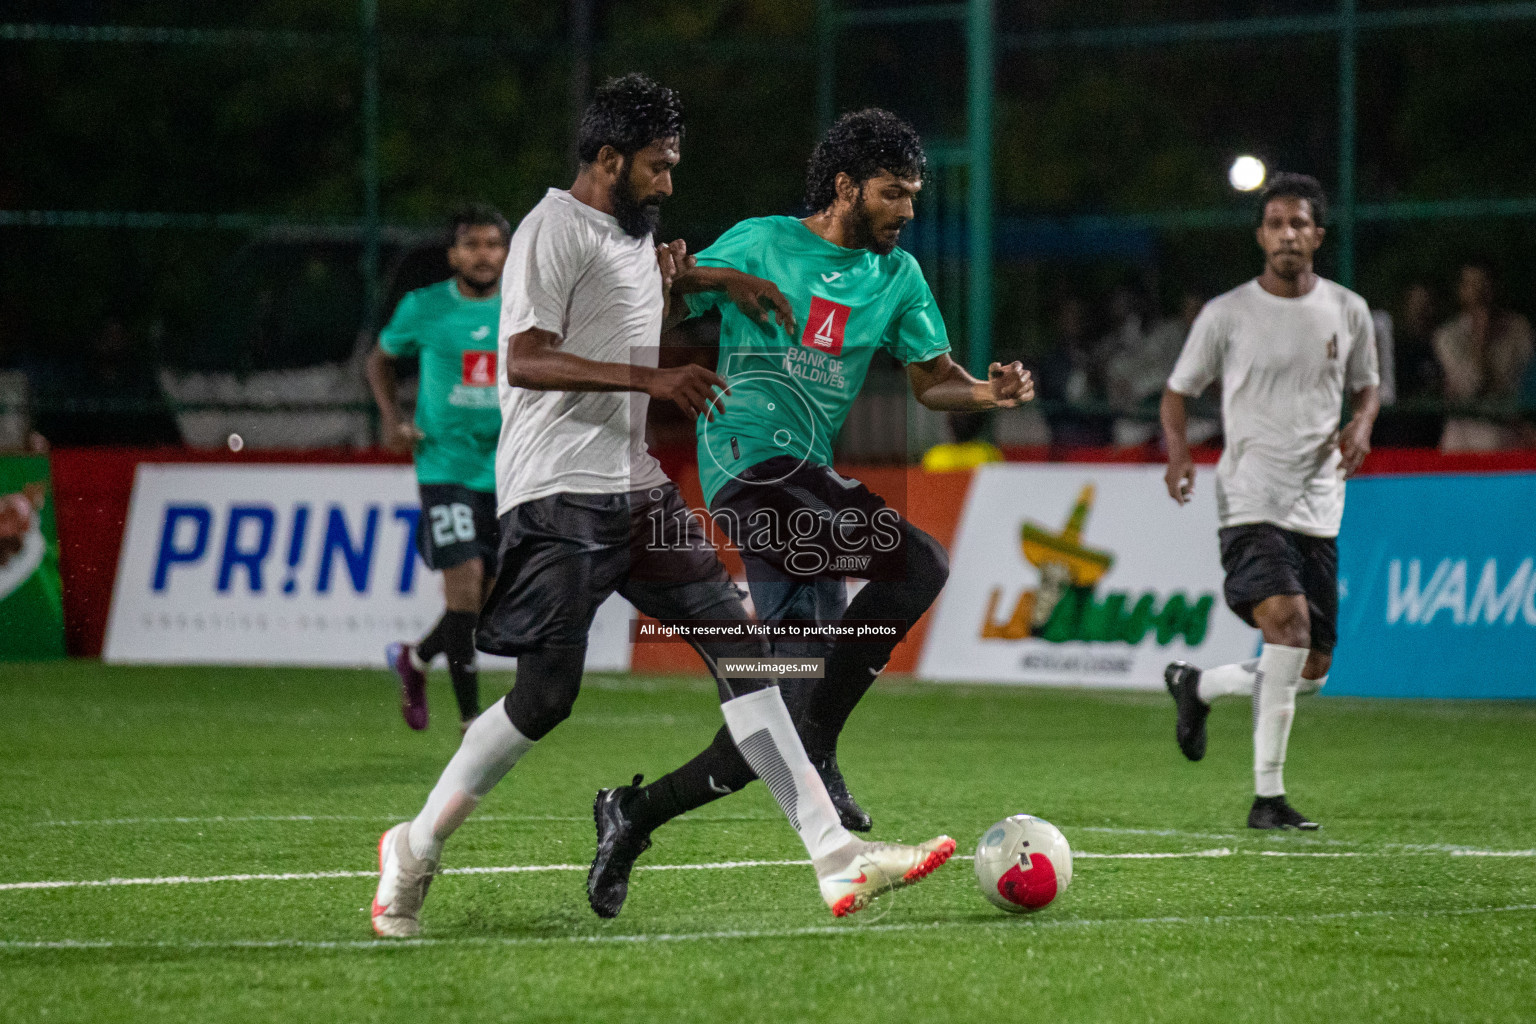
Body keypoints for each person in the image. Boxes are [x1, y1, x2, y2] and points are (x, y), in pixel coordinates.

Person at [370, 76, 954, 938]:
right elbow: (527, 359)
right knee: (545, 699)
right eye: (657, 166)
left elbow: (660, 292)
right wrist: (657, 375)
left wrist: (719, 280)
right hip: (555, 491)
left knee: (746, 658)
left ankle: (834, 857)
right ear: (608, 160)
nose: (670, 183)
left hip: (638, 487)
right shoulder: (550, 231)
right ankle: (413, 849)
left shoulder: (635, 240)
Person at [586, 108, 1031, 918]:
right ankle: (821, 749)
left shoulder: (898, 279)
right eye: (892, 194)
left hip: (807, 480)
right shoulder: (762, 240)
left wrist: (986, 392)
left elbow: (933, 380)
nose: (905, 210)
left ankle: (632, 814)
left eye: (913, 196)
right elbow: (665, 295)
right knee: (921, 561)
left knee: (776, 718)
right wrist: (701, 277)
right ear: (845, 186)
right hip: (749, 468)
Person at [1159, 173, 1380, 831]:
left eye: (1300, 223)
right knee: (1287, 626)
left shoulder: (1350, 310)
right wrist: (1177, 453)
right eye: (1276, 223)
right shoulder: (1226, 314)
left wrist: (1363, 423)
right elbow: (1177, 393)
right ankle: (1268, 799)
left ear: (1317, 233)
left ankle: (1197, 685)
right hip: (1250, 496)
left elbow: (1369, 388)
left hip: (1321, 501)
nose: (1288, 234)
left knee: (1309, 668)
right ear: (1261, 234)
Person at [368, 204, 511, 733]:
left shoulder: (522, 308)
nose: (483, 255)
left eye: (493, 244)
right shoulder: (423, 306)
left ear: (507, 251)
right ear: (453, 254)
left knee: (489, 598)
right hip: (443, 465)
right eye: (472, 245)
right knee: (465, 586)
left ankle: (416, 657)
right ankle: (471, 718)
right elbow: (379, 358)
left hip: (505, 469)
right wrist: (392, 417)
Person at [1433, 262, 1533, 452]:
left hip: (1506, 429)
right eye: (1472, 285)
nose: (1479, 293)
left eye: (1484, 285)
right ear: (1461, 290)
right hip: (1463, 433)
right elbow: (1472, 387)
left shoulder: (1519, 329)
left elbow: (1518, 387)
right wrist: (1480, 339)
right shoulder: (1447, 335)